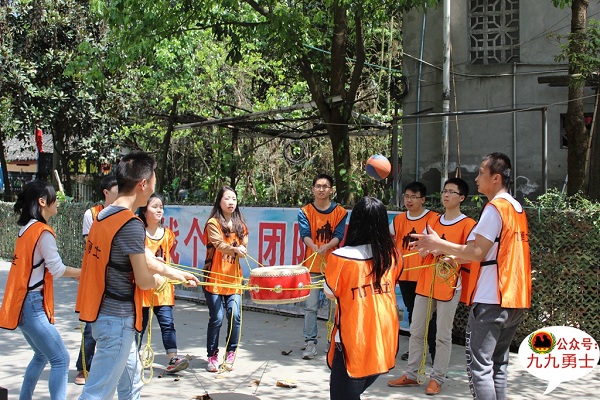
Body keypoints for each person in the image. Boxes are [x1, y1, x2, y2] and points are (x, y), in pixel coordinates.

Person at [76, 151, 198, 400]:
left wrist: (178, 274)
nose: (154, 187)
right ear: (143, 184)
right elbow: (144, 279)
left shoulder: (103, 216)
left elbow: (147, 259)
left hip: (104, 316)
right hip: (117, 321)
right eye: (154, 180)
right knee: (96, 394)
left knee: (132, 387)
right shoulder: (130, 224)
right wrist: (160, 281)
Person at [411, 152, 531, 400]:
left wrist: (438, 244)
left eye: (481, 173)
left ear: (496, 178)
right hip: (515, 298)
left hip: (491, 298)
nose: (476, 178)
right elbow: (485, 253)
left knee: (480, 367)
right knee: (498, 366)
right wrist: (444, 252)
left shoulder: (494, 209)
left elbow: (477, 252)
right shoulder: (516, 208)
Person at [388, 178, 476, 395]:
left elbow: (473, 255)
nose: (446, 195)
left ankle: (437, 378)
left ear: (462, 198)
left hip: (448, 284)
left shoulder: (468, 224)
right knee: (416, 330)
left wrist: (446, 253)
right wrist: (424, 250)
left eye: (452, 192)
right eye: (444, 190)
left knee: (442, 335)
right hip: (426, 281)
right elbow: (424, 248)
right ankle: (411, 374)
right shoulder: (433, 221)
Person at [0, 179, 81, 400]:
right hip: (33, 305)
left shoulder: (25, 230)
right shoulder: (43, 232)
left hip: (22, 304)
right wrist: (83, 272)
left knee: (41, 355)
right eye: (54, 197)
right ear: (42, 202)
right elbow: (57, 269)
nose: (57, 201)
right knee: (61, 359)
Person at [324, 196, 402, 400]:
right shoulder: (393, 255)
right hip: (383, 337)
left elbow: (330, 292)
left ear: (355, 222)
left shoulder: (340, 257)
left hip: (353, 338)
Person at [298, 173, 348, 360]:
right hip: (312, 265)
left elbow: (339, 235)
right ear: (313, 189)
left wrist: (327, 247)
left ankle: (332, 341)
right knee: (310, 306)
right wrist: (314, 247)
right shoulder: (305, 211)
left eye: (325, 186)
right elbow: (305, 234)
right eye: (318, 186)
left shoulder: (340, 212)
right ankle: (310, 342)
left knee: (333, 307)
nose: (321, 189)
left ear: (331, 190)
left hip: (333, 265)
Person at [137, 193, 189, 373]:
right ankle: (133, 358)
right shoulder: (138, 233)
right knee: (140, 325)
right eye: (154, 206)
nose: (159, 210)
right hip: (143, 285)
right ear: (144, 211)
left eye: (161, 207)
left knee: (168, 323)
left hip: (163, 286)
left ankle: (172, 358)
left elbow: (168, 258)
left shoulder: (168, 234)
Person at [75, 175, 119, 385]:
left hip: (118, 277)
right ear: (106, 192)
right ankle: (83, 368)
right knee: (90, 324)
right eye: (118, 189)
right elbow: (91, 244)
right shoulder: (92, 214)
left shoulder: (126, 214)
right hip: (96, 276)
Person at [390, 181, 438, 362]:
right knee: (412, 312)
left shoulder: (433, 219)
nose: (409, 200)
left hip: (426, 274)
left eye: (413, 197)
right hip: (405, 274)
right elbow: (388, 237)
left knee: (430, 315)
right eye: (407, 196)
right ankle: (416, 350)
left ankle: (434, 352)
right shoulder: (399, 220)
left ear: (423, 199)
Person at [203, 186, 249, 372]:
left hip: (234, 279)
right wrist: (236, 249)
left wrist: (242, 249)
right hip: (214, 277)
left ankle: (231, 353)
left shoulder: (240, 225)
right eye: (227, 198)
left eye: (234, 199)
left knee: (235, 315)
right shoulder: (213, 223)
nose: (231, 202)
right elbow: (219, 244)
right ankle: (212, 355)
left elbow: (244, 245)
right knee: (217, 317)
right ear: (219, 201)